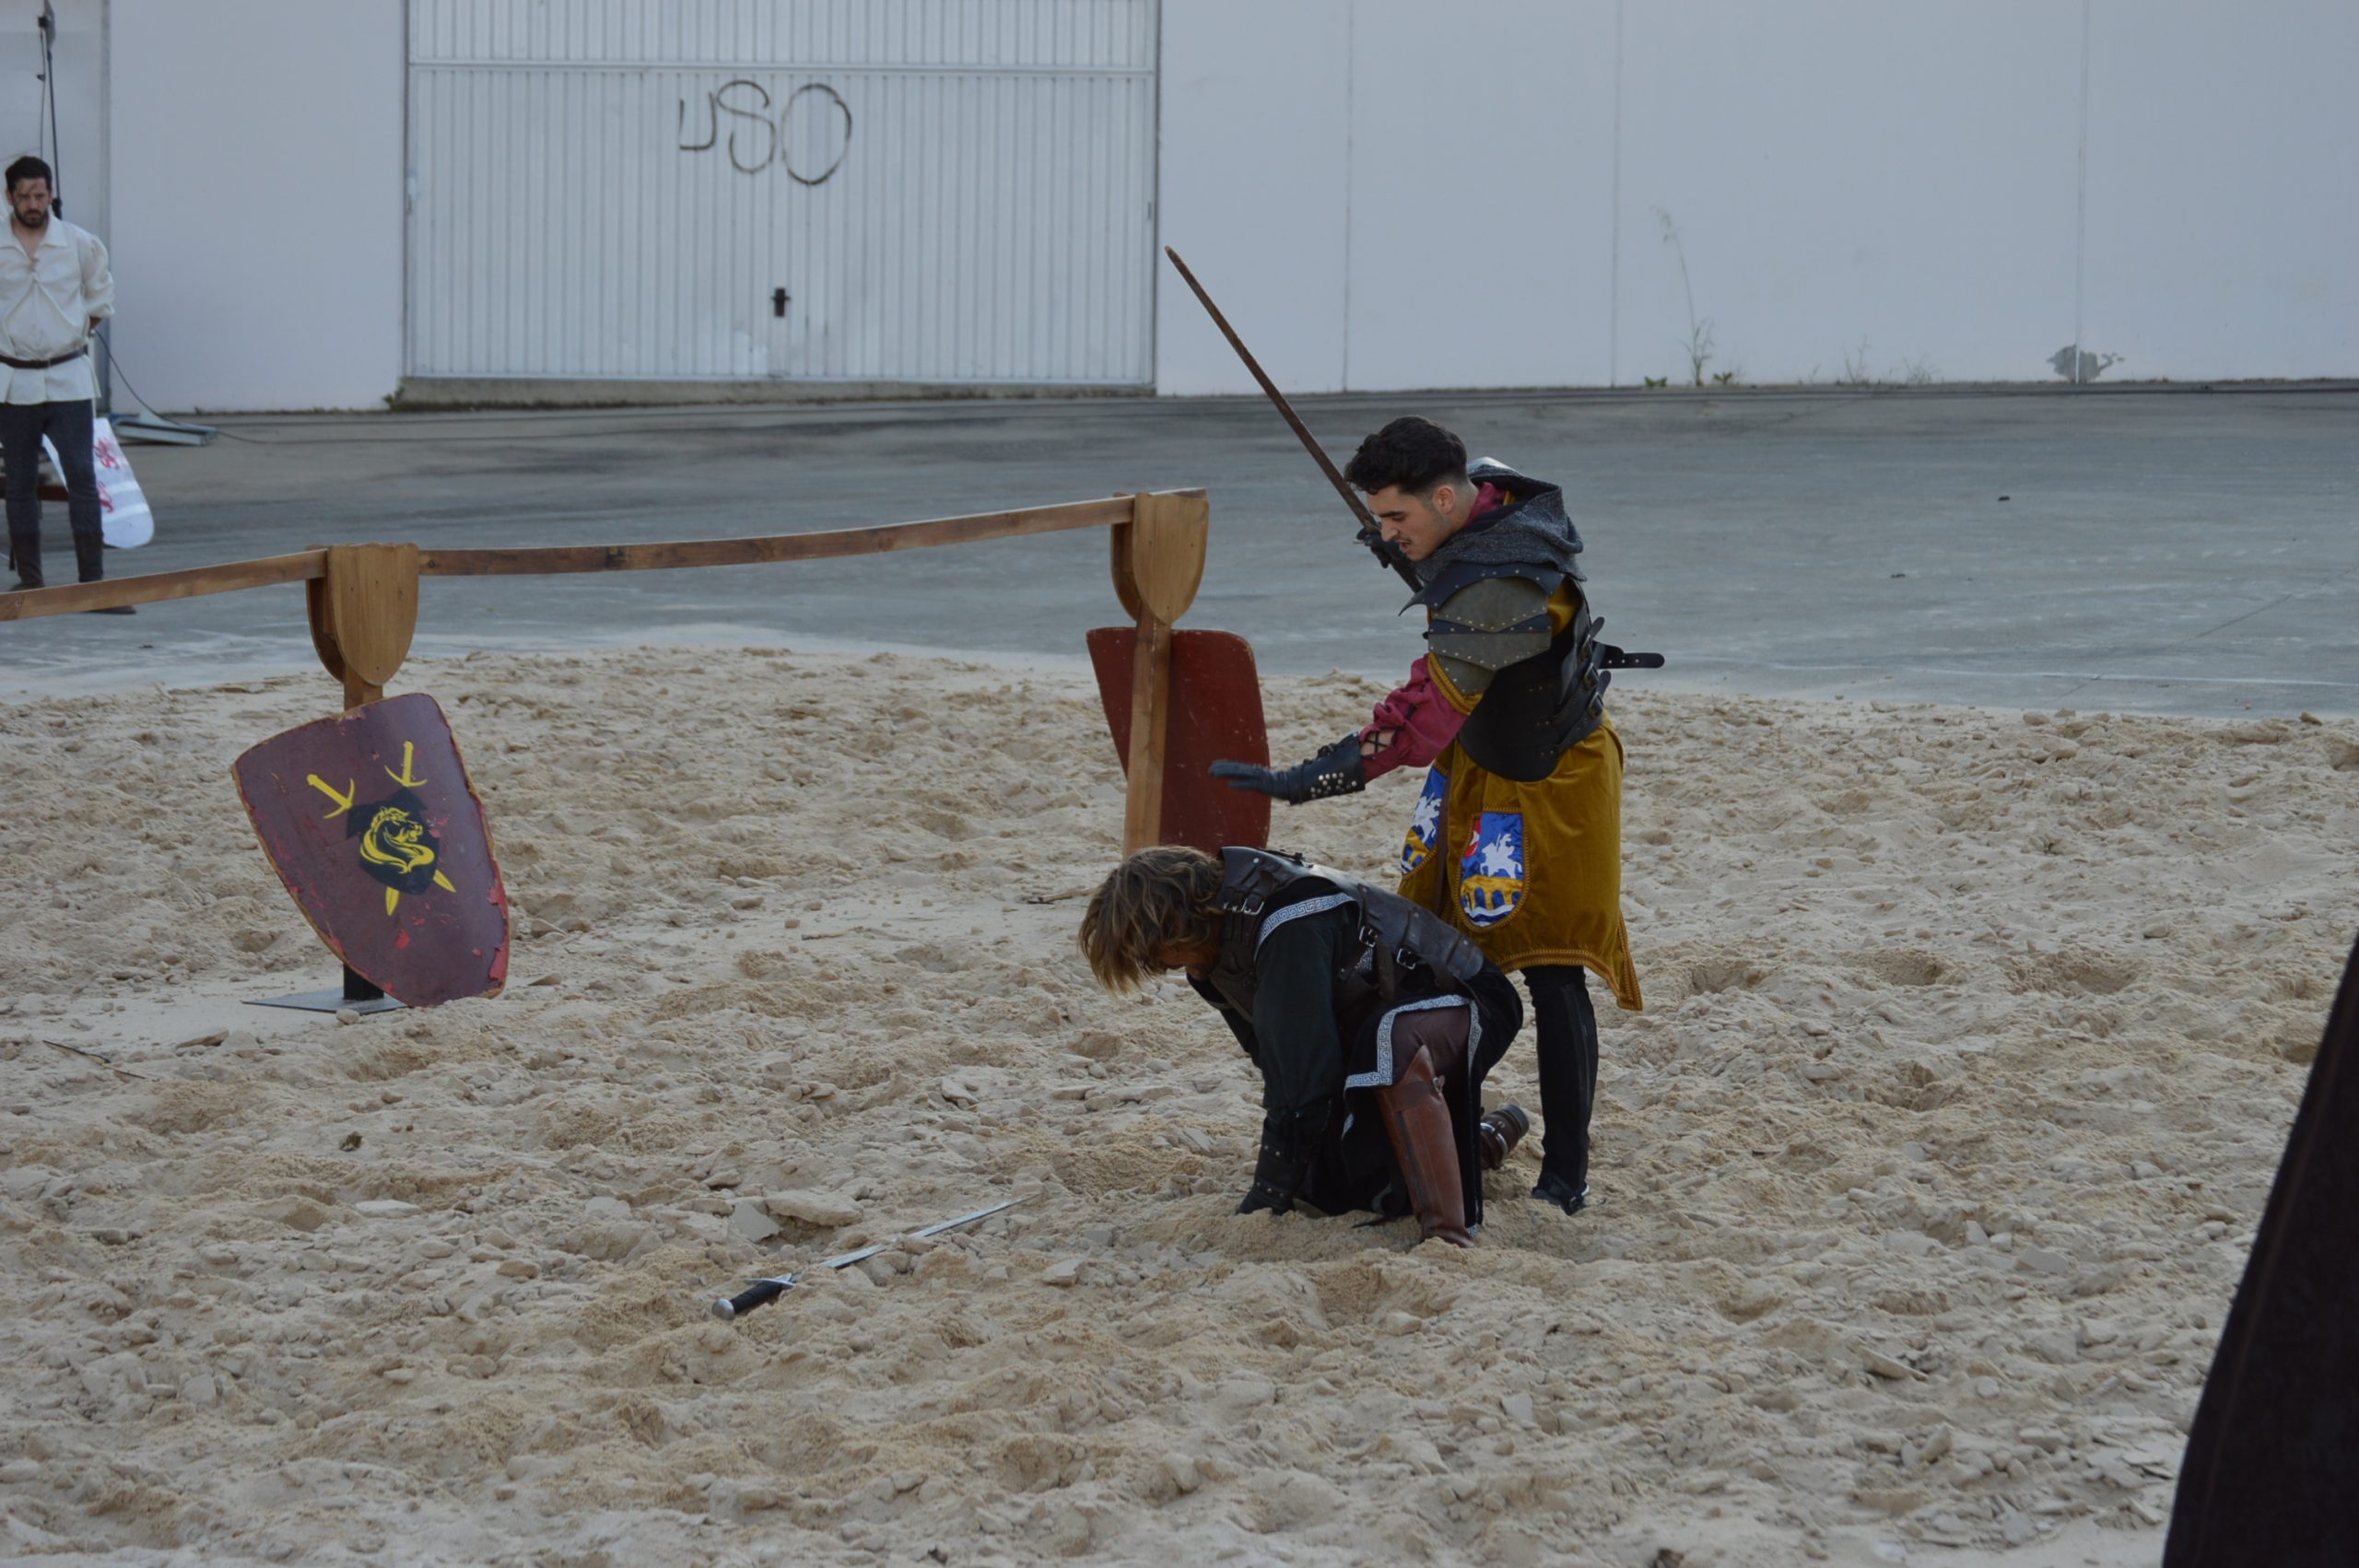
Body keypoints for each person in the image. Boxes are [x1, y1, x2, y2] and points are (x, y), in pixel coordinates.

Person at [1213, 416, 1649, 1216]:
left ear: (1447, 498)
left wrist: (1304, 780)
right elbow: (1446, 565)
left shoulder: (1507, 585)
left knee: (1553, 975)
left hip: (1553, 780)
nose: (1385, 533)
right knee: (1430, 957)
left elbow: (1416, 724)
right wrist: (1414, 544)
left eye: (1398, 519)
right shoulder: (1479, 500)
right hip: (1479, 767)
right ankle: (1439, 1132)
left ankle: (1567, 1175)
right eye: (1378, 519)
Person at [1078, 844, 1532, 1246]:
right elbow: (1276, 1057)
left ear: (1173, 922)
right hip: (1377, 1035)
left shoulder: (1287, 918)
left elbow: (1303, 1080)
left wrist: (1266, 1197)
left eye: (1150, 954)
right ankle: (1480, 1143)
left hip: (1469, 1001)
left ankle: (1449, 1237)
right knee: (1337, 1185)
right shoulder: (1209, 956)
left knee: (1388, 1043)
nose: (1155, 968)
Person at [0, 154, 123, 608]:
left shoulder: (79, 244)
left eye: (41, 194)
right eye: (24, 196)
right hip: (12, 381)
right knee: (19, 484)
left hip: (69, 378)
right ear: (9, 196)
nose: (34, 203)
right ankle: (31, 583)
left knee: (82, 478)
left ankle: (93, 586)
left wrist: (65, 338)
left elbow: (99, 299)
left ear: (52, 194)